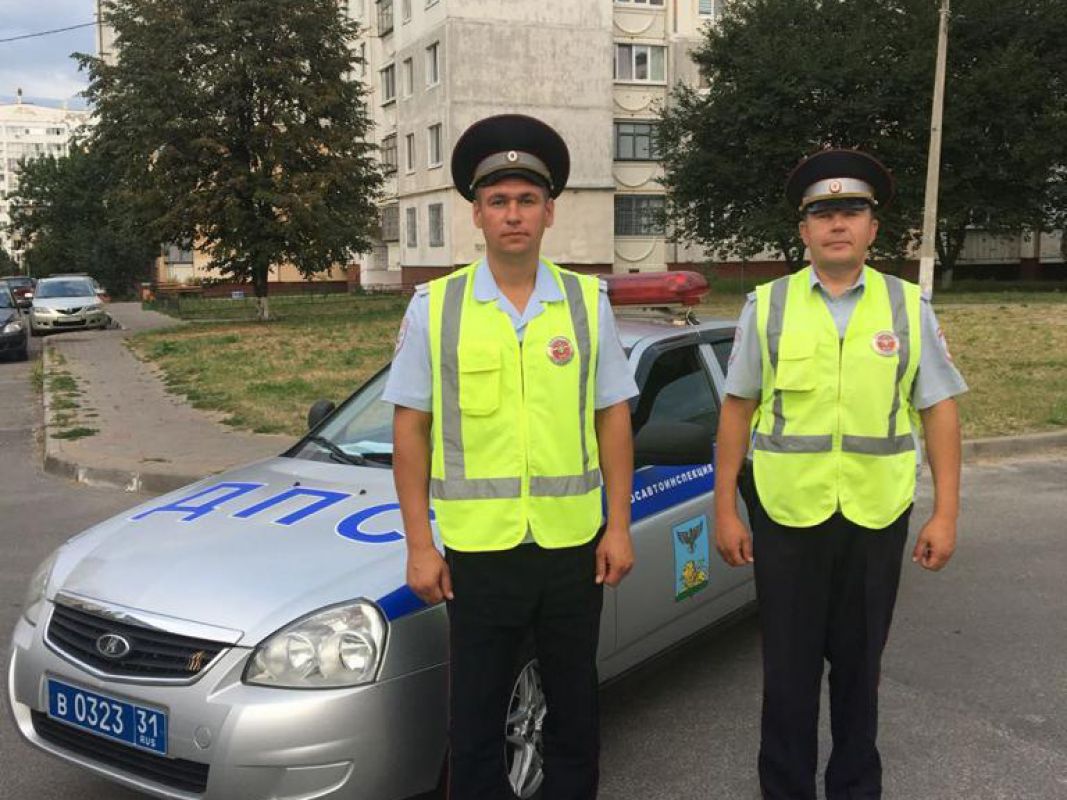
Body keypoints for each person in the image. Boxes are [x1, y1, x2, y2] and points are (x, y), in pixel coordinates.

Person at [384, 113, 638, 800]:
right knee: (472, 720)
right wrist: (418, 545)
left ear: (549, 212)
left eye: (527, 200)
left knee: (575, 712)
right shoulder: (436, 308)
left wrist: (616, 526)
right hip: (479, 553)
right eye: (498, 201)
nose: (513, 214)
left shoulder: (587, 302)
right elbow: (410, 431)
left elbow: (612, 417)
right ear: (477, 214)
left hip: (570, 549)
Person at [713, 149, 968, 800]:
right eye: (821, 213)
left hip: (874, 515)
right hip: (786, 516)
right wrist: (723, 509)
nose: (836, 224)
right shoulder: (766, 306)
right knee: (787, 677)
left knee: (859, 673)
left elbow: (937, 410)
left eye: (850, 211)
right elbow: (736, 411)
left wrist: (944, 512)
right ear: (802, 231)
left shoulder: (907, 306)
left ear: (872, 228)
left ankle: (855, 789)